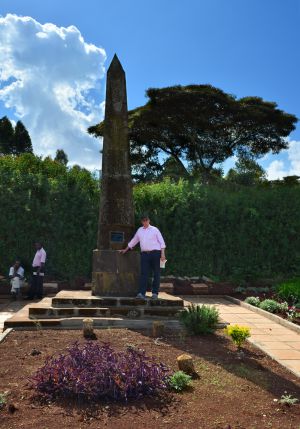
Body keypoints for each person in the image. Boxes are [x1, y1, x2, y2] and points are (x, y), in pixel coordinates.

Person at [120, 215, 166, 299]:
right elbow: (134, 240)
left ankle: (155, 293)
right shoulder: (140, 230)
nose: (145, 222)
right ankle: (141, 293)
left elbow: (162, 242)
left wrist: (163, 254)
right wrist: (126, 249)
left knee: (156, 273)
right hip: (144, 254)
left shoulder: (155, 230)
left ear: (149, 220)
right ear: (142, 222)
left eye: (146, 220)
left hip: (156, 253)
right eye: (143, 221)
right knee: (144, 273)